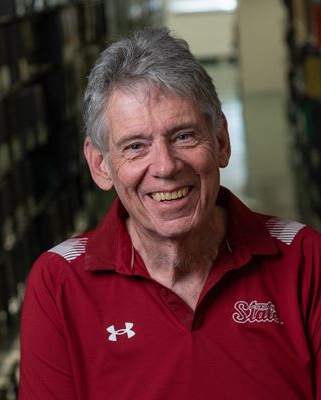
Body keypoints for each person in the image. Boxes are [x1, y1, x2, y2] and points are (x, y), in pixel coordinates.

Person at [18, 28, 321, 399]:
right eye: (135, 146)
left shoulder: (304, 259)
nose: (164, 166)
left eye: (184, 136)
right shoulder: (58, 283)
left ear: (221, 143)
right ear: (100, 165)